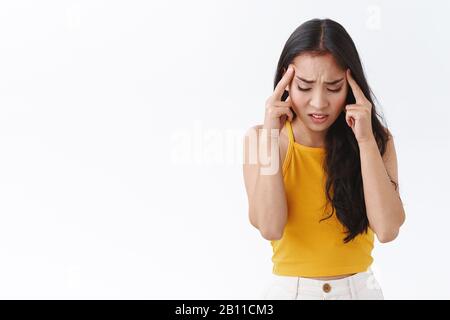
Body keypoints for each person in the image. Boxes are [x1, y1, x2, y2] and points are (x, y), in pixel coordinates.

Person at [242, 18, 406, 300]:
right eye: (304, 87)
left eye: (333, 87)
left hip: (360, 291)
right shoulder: (261, 140)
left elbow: (388, 229)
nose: (318, 103)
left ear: (352, 85)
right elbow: (270, 226)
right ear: (286, 81)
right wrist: (271, 138)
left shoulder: (377, 140)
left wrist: (365, 141)